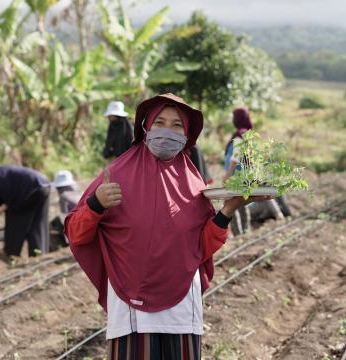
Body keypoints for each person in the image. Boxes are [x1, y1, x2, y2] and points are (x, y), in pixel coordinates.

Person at [65, 94, 270, 359]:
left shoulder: (193, 181)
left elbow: (202, 247)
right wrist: (95, 204)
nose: (167, 131)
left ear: (187, 135)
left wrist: (229, 209)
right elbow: (75, 233)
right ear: (146, 128)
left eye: (177, 125)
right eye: (159, 123)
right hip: (131, 302)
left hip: (182, 301)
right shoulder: (116, 174)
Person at [223, 107, 291, 235]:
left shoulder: (239, 135)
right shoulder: (247, 133)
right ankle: (246, 231)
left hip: (235, 176)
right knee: (242, 204)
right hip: (244, 175)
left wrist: (227, 175)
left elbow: (235, 158)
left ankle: (238, 234)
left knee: (230, 206)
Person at [50, 170, 81, 248]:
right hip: (84, 219)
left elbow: (64, 217)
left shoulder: (63, 196)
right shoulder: (78, 192)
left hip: (77, 224)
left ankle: (69, 243)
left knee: (57, 221)